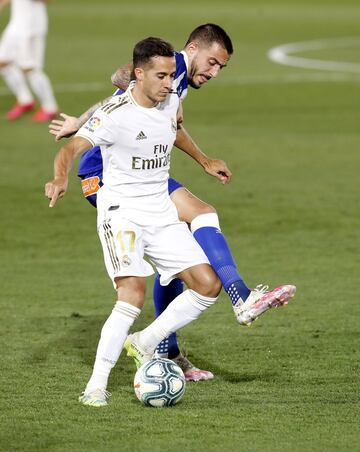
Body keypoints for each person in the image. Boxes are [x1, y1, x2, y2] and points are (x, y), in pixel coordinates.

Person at [48, 24, 296, 381]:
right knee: (202, 214)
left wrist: (205, 159)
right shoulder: (172, 67)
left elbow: (158, 116)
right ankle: (240, 297)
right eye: (211, 62)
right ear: (193, 48)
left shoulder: (172, 83)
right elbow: (122, 81)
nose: (213, 73)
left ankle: (167, 347)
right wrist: (84, 123)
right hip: (108, 173)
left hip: (142, 172)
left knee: (179, 250)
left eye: (220, 68)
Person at [45, 37, 226, 406]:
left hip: (159, 211)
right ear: (138, 75)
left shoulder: (170, 100)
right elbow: (71, 148)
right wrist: (61, 177)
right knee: (131, 297)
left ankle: (144, 341)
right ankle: (96, 385)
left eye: (171, 75)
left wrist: (204, 160)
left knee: (208, 285)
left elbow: (173, 131)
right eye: (160, 76)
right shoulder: (114, 114)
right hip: (122, 214)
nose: (168, 83)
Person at [0, 0, 58, 121]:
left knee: (30, 69)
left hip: (31, 28)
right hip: (16, 25)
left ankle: (50, 108)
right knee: (2, 62)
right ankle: (25, 100)